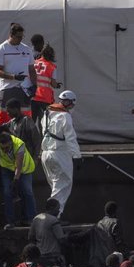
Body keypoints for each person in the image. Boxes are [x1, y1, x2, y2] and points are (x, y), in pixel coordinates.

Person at [40, 90, 82, 218]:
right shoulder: (65, 116)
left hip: (45, 154)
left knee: (55, 185)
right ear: (70, 103)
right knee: (63, 186)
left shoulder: (46, 114)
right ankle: (52, 217)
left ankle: (50, 215)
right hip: (60, 154)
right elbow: (70, 138)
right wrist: (77, 156)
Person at [0, 22, 37, 125]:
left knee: (26, 116)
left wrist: (35, 85)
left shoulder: (26, 49)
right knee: (5, 117)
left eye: (22, 37)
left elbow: (31, 69)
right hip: (8, 88)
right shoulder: (2, 49)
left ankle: (24, 139)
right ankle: (3, 138)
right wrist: (14, 77)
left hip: (25, 89)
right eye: (18, 37)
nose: (20, 39)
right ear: (11, 35)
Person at [0, 132, 36, 228]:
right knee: (7, 193)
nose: (4, 150)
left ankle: (31, 219)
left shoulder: (19, 144)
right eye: (2, 148)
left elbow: (19, 166)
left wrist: (16, 180)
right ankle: (10, 221)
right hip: (7, 169)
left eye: (7, 148)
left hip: (25, 169)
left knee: (27, 192)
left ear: (11, 143)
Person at [86, 201, 127, 267]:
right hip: (113, 260)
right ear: (115, 211)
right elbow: (119, 242)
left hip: (100, 261)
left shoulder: (99, 223)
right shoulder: (115, 222)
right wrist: (125, 255)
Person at [28, 198, 67, 267]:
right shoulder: (54, 220)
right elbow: (61, 240)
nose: (58, 211)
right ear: (52, 208)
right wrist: (68, 236)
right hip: (53, 256)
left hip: (40, 256)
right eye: (57, 209)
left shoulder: (36, 218)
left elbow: (30, 237)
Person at [30, 44, 61, 127]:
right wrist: (57, 85)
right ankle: (43, 139)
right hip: (45, 98)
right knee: (44, 123)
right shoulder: (52, 67)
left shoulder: (34, 63)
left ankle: (29, 139)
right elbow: (53, 83)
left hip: (33, 96)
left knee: (31, 121)